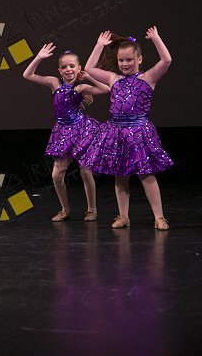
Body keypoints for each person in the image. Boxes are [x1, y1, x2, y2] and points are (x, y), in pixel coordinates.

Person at [79, 28, 174, 230]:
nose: (125, 64)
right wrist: (99, 46)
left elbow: (166, 60)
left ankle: (159, 217)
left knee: (146, 174)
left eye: (129, 59)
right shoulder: (114, 79)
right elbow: (89, 68)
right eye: (121, 60)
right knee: (120, 174)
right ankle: (123, 216)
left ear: (139, 59)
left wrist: (156, 38)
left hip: (139, 132)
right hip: (116, 132)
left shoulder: (148, 78)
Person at [22, 43, 110, 222]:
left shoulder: (81, 88)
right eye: (64, 67)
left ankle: (92, 209)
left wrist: (89, 77)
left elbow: (106, 89)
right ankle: (65, 209)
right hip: (62, 132)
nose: (68, 69)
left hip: (82, 130)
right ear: (59, 70)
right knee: (56, 175)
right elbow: (27, 75)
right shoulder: (54, 83)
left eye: (72, 66)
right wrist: (39, 57)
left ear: (78, 68)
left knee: (85, 172)